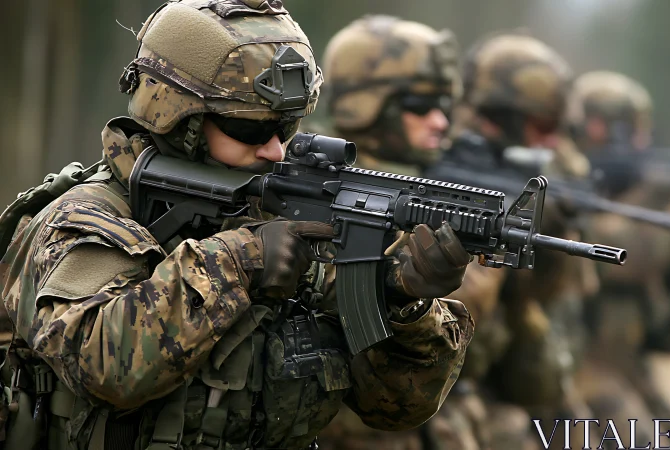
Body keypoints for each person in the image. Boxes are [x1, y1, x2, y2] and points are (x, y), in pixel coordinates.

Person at [0, 2, 475, 449]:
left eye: (286, 130)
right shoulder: (82, 219)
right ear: (178, 119)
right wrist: (241, 261)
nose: (274, 151)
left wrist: (398, 298)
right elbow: (102, 363)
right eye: (249, 129)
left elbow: (396, 406)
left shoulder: (276, 221)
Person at [316, 15, 490, 450]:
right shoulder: (315, 189)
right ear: (365, 104)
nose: (439, 122)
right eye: (419, 104)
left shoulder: (429, 191)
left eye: (446, 107)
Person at [426, 31, 598, 450]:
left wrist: (554, 236)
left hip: (494, 377)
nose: (554, 141)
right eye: (542, 127)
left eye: (558, 128)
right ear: (499, 117)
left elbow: (555, 304)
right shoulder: (438, 165)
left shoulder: (532, 168)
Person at [566, 71, 670, 448]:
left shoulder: (634, 195)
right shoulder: (568, 191)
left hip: (626, 367)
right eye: (633, 133)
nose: (643, 144)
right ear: (596, 129)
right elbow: (629, 255)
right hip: (581, 369)